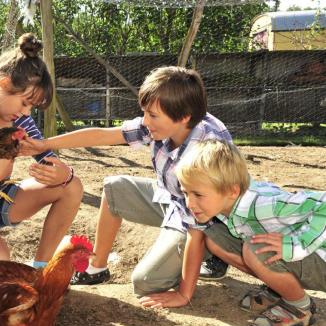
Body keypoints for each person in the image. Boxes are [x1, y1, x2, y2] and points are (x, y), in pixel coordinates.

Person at [21, 66, 231, 296]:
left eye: (152, 115)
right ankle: (96, 268)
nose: (145, 120)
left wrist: (184, 293)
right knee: (115, 187)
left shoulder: (206, 149)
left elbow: (208, 211)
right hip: (175, 201)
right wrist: (45, 144)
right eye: (145, 112)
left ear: (183, 117)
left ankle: (214, 253)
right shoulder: (163, 122)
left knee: (145, 282)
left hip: (205, 220)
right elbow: (103, 135)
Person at [0, 33, 83, 267]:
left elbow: (46, 156)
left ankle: (40, 271)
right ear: (3, 84)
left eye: (31, 107)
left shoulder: (20, 121)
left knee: (72, 186)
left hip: (1, 200)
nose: (26, 113)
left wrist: (61, 173)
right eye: (25, 103)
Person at [172, 139, 324, 326]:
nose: (190, 203)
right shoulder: (227, 203)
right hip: (299, 259)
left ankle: (300, 307)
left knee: (252, 249)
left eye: (198, 195)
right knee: (216, 238)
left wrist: (297, 244)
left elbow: (323, 204)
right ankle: (280, 289)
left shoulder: (264, 205)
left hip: (320, 260)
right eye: (186, 193)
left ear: (232, 190)